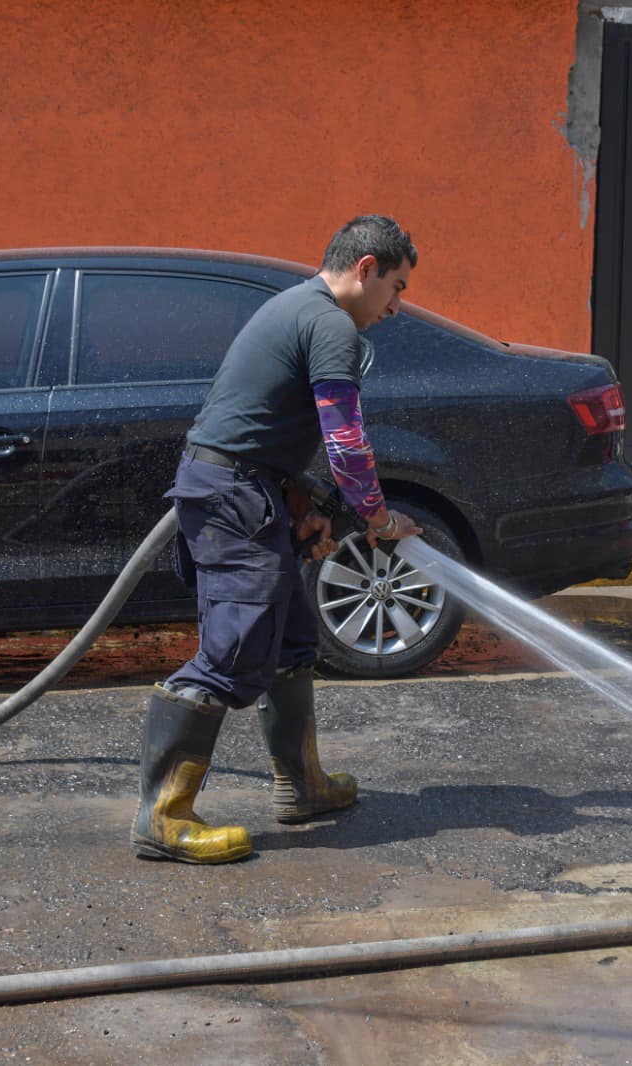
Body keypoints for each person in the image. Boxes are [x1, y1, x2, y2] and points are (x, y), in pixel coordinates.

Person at [132, 215, 423, 864]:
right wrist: (378, 523)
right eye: (396, 288)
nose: (397, 308)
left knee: (291, 640)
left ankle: (304, 787)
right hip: (232, 496)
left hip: (245, 489)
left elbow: (258, 423)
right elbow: (347, 444)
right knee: (234, 652)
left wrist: (302, 501)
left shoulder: (298, 308)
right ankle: (164, 816)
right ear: (366, 269)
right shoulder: (330, 325)